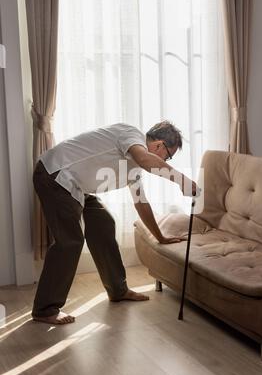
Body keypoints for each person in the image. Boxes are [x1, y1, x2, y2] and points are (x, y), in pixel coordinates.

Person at [32, 121, 199, 325]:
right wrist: (182, 180)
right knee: (70, 241)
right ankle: (45, 308)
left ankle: (118, 290)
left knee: (104, 223)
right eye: (169, 155)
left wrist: (161, 237)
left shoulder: (135, 169)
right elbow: (145, 159)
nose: (166, 160)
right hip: (55, 175)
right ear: (159, 145)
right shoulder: (130, 134)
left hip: (76, 186)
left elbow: (141, 204)